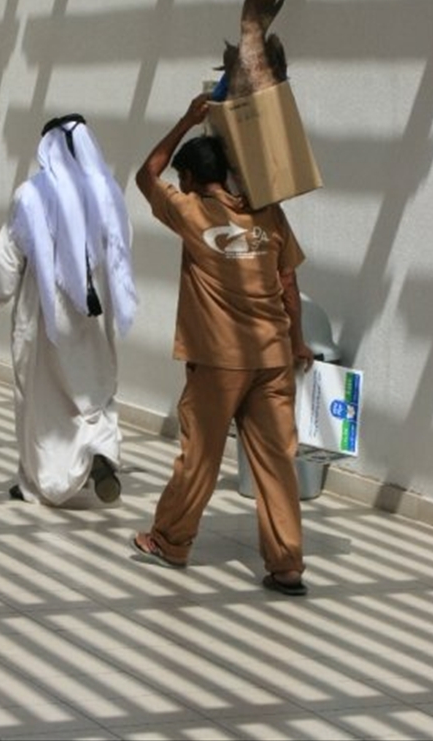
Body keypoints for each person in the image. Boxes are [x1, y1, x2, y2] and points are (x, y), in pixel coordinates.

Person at [131, 93, 314, 595]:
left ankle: (169, 541)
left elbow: (147, 174)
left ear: (191, 178)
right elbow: (289, 284)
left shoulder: (191, 212)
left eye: (185, 178)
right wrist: (298, 342)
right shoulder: (269, 216)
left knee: (201, 455)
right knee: (276, 462)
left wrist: (187, 119)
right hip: (273, 357)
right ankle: (287, 565)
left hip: (219, 360)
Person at [0, 114, 138, 506]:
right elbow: (121, 249)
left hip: (46, 318)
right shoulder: (109, 192)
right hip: (96, 317)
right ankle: (100, 451)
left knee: (41, 399)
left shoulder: (32, 195)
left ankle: (41, 483)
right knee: (94, 389)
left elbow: (7, 257)